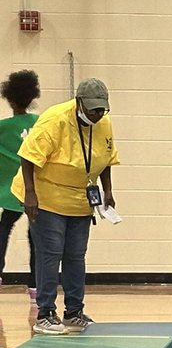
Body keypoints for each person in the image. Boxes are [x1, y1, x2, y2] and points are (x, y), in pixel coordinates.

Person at [12, 78, 119, 335]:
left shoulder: (102, 123)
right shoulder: (55, 119)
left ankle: (74, 311)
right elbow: (28, 156)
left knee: (75, 255)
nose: (96, 114)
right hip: (45, 196)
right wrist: (30, 194)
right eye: (92, 109)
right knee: (51, 253)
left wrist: (108, 191)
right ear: (79, 103)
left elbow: (105, 159)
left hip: (79, 198)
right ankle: (45, 313)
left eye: (101, 110)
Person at [0, 70, 40, 300]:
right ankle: (35, 285)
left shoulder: (3, 127)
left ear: (10, 99)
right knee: (36, 234)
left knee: (5, 226)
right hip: (36, 186)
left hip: (12, 189)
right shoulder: (41, 122)